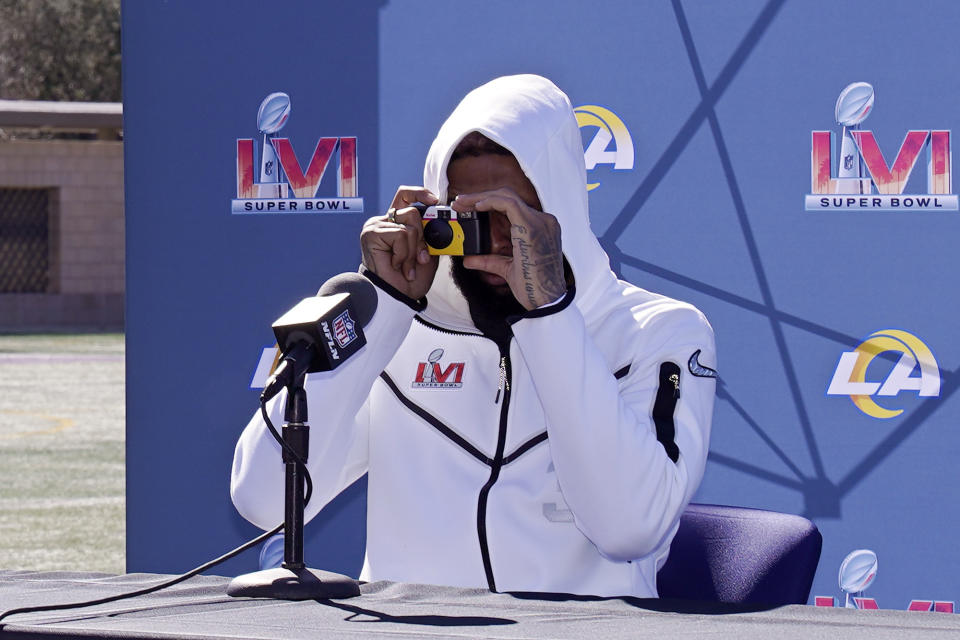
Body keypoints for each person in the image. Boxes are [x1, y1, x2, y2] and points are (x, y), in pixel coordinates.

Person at [231, 74, 717, 598]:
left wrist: (549, 314)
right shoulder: (399, 330)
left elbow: (630, 529)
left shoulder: (659, 330)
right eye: (467, 217)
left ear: (562, 212)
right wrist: (388, 306)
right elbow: (263, 500)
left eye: (511, 216)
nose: (492, 242)